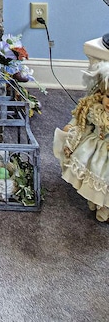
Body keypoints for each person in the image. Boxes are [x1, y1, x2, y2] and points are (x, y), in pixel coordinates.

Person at [54, 65, 109, 222]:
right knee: (92, 177)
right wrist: (72, 127)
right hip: (94, 149)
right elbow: (82, 121)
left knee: (104, 180)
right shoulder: (95, 110)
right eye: (108, 96)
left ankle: (104, 208)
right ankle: (95, 202)